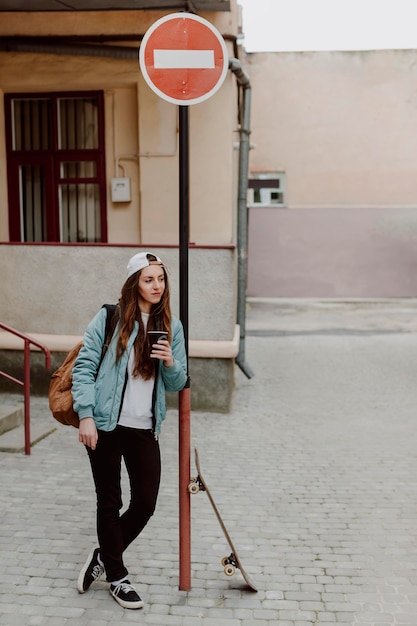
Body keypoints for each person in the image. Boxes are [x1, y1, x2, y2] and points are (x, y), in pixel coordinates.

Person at [72, 251, 187, 610]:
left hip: (143, 429)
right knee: (109, 502)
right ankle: (118, 578)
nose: (157, 285)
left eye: (161, 279)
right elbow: (85, 365)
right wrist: (86, 416)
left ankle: (104, 556)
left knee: (146, 503)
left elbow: (178, 382)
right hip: (105, 426)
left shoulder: (172, 326)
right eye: (148, 279)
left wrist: (170, 361)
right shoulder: (110, 317)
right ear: (135, 282)